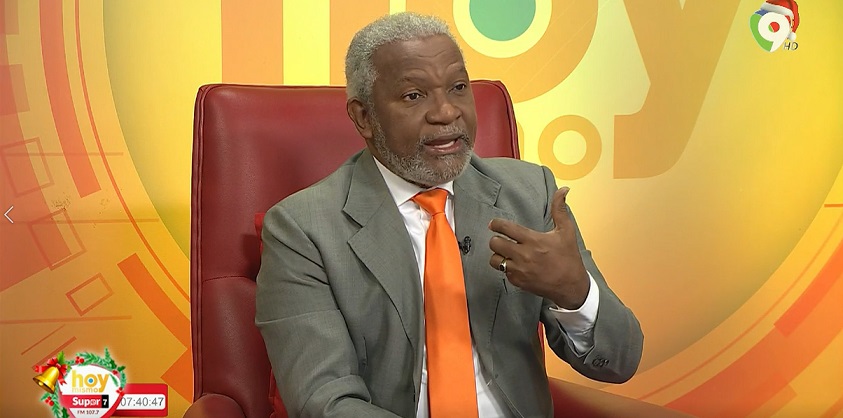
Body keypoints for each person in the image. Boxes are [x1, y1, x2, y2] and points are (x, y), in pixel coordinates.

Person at [256, 12, 643, 418]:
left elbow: (620, 361)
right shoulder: (302, 230)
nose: (446, 112)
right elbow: (324, 401)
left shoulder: (531, 194)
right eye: (413, 96)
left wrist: (575, 293)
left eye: (458, 88)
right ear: (364, 117)